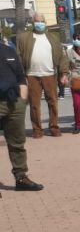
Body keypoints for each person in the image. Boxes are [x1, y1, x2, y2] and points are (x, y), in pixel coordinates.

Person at [0, 35, 43, 193]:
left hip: (14, 103)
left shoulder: (9, 51)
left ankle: (21, 177)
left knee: (17, 142)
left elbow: (20, 76)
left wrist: (22, 100)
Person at [16, 13, 68, 138]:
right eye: (37, 21)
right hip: (31, 75)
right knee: (34, 105)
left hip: (49, 74)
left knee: (53, 102)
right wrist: (21, 77)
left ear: (45, 22)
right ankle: (37, 130)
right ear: (33, 23)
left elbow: (62, 57)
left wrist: (64, 73)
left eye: (42, 21)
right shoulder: (24, 38)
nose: (40, 23)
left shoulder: (53, 38)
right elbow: (18, 57)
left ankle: (54, 128)